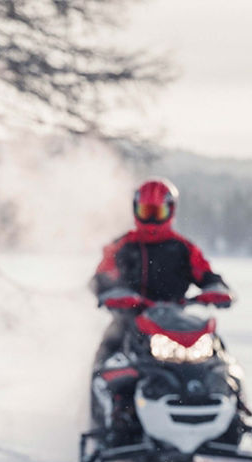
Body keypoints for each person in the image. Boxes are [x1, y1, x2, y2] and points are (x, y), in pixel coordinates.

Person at [88, 178, 232, 442]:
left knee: (219, 356)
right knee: (105, 357)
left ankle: (235, 411)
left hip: (175, 320)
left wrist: (216, 289)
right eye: (146, 213)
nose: (152, 220)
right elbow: (102, 275)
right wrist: (111, 291)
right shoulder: (123, 246)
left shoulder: (183, 248)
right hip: (130, 318)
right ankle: (105, 423)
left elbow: (205, 273)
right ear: (136, 211)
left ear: (170, 211)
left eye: (157, 213)